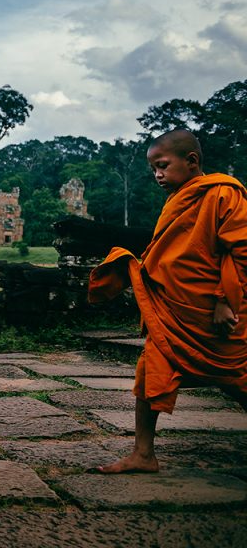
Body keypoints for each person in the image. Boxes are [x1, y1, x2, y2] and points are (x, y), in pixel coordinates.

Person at [90, 129, 247, 474]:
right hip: (175, 311)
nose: (157, 174)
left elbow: (240, 251)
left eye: (162, 165)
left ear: (191, 161)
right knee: (151, 371)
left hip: (215, 313)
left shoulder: (224, 194)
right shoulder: (178, 197)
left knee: (237, 378)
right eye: (153, 169)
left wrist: (224, 300)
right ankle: (143, 454)